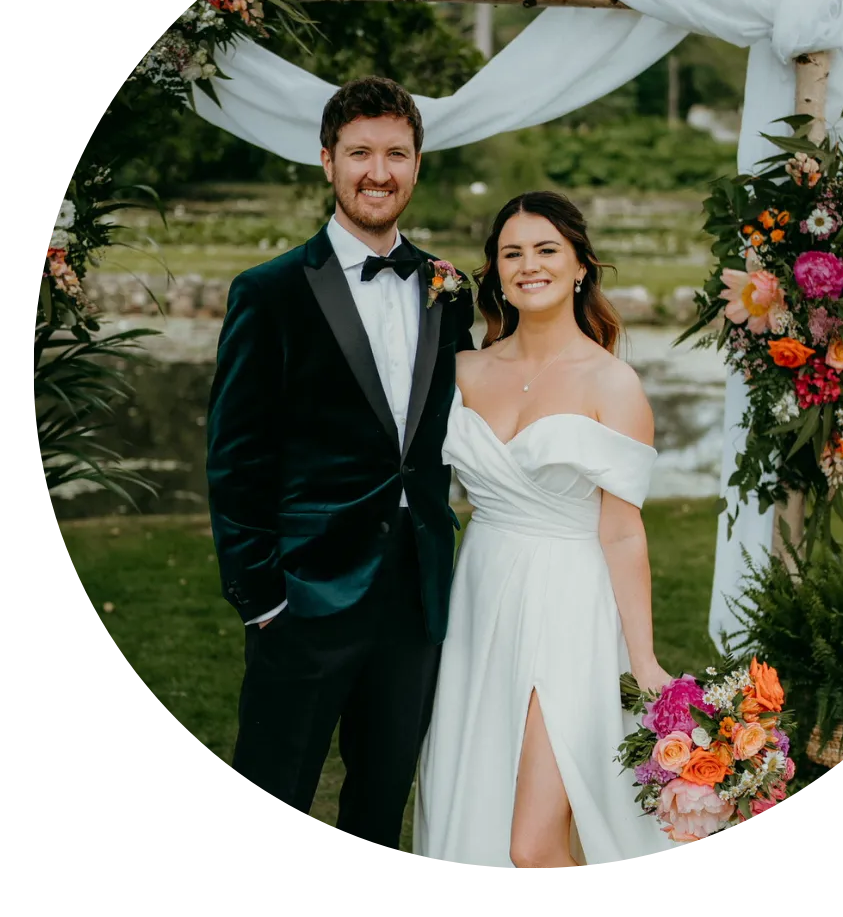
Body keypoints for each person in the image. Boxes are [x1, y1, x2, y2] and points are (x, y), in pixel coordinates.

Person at [205, 76, 475, 855]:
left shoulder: (447, 290)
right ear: (327, 161)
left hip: (414, 603)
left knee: (381, 802)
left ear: (418, 165)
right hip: (303, 597)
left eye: (396, 153)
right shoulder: (270, 292)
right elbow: (235, 457)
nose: (378, 172)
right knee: (274, 782)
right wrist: (261, 599)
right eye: (360, 153)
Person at [413, 191, 688, 868]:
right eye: (512, 253)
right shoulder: (459, 371)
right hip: (479, 600)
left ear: (579, 267)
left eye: (545, 251)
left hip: (570, 605)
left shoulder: (612, 383)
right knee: (471, 802)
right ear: (495, 272)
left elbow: (623, 533)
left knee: (533, 845)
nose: (527, 265)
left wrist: (643, 657)